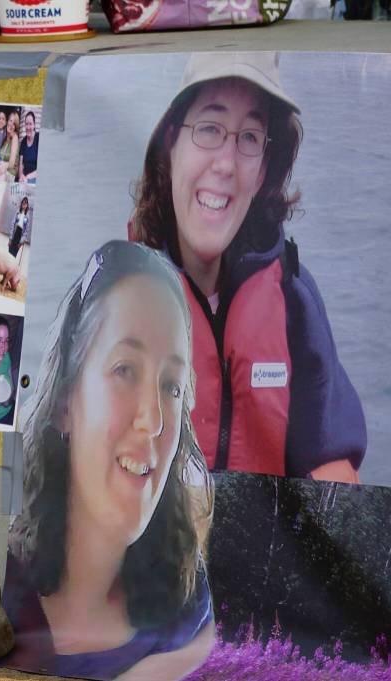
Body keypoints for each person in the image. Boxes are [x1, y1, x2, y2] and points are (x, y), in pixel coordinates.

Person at [129, 52, 365, 481]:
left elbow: (333, 471)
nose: (226, 163)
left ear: (261, 174)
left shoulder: (295, 301)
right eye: (209, 129)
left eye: (250, 138)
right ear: (170, 147)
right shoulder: (117, 299)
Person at [0, 240, 215, 679]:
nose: (154, 420)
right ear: (65, 402)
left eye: (172, 386)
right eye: (124, 370)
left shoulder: (187, 605)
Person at [18, 110, 39, 184]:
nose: (28, 127)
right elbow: (21, 164)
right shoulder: (23, 141)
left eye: (30, 124)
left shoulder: (39, 138)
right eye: (26, 124)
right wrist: (21, 176)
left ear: (34, 125)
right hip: (24, 179)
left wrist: (27, 177)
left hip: (35, 178)